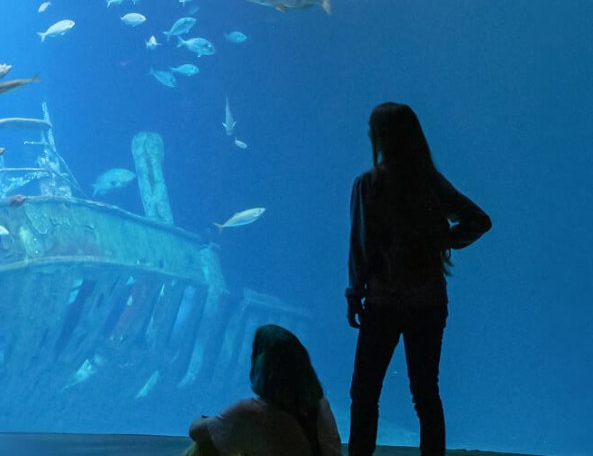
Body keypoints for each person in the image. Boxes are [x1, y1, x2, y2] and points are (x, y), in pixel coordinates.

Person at [345, 103, 492, 456]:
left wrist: (354, 293)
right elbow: (479, 220)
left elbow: (360, 247)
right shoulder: (430, 183)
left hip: (382, 302)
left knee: (365, 392)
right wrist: (442, 240)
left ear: (381, 135)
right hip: (429, 302)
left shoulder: (369, 184)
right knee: (425, 392)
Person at [187, 324, 342, 456]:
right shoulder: (322, 405)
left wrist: (213, 420)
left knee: (205, 446)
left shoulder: (252, 411)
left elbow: (195, 431)